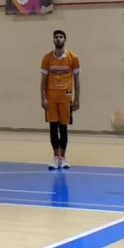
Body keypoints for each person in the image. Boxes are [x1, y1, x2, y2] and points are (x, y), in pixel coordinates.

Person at [40, 30, 80, 170]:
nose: (58, 39)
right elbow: (43, 80)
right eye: (56, 37)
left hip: (66, 97)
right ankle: (55, 157)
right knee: (53, 128)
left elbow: (76, 79)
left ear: (65, 39)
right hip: (51, 98)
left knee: (63, 129)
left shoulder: (72, 58)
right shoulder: (47, 58)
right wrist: (43, 98)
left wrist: (77, 99)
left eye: (61, 37)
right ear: (53, 40)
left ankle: (63, 158)